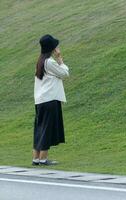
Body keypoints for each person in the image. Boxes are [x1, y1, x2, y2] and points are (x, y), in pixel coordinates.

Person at [33, 34, 69, 166]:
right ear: (52, 48)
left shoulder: (40, 61)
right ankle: (43, 159)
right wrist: (60, 58)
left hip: (40, 100)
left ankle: (36, 158)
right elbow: (65, 73)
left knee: (40, 128)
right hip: (50, 100)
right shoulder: (50, 62)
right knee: (47, 129)